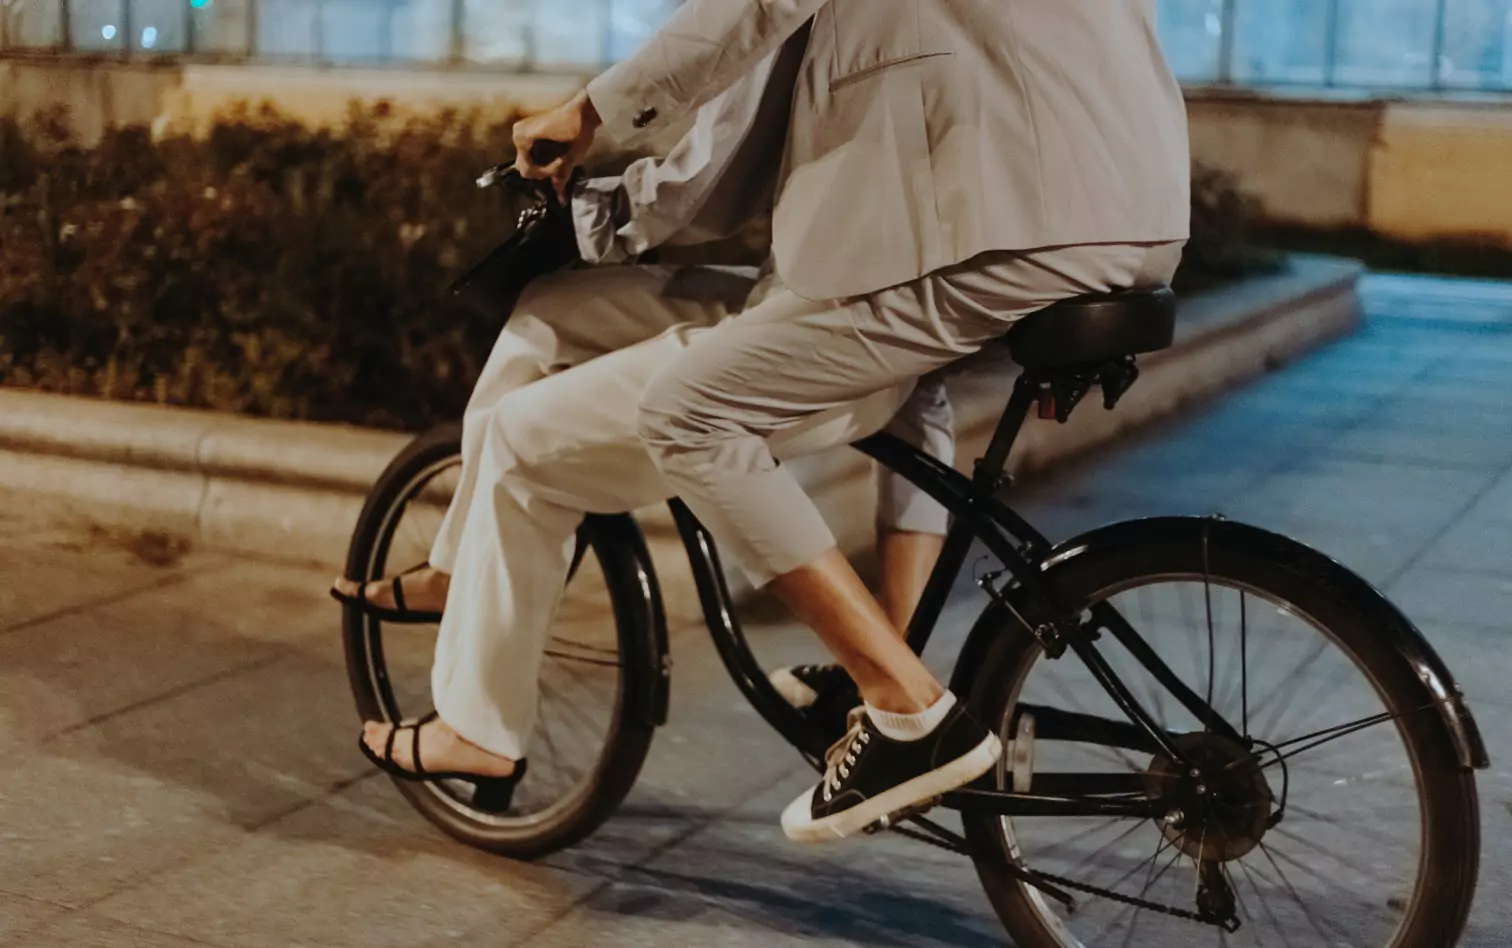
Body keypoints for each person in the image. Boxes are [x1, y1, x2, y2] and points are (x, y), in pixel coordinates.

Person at [334, 0, 1190, 843]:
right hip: (1110, 207)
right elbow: (741, 132)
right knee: (551, 313)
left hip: (1003, 221)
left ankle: (901, 705)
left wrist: (589, 112)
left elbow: (755, 29)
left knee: (667, 414)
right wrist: (608, 214)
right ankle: (463, 568)